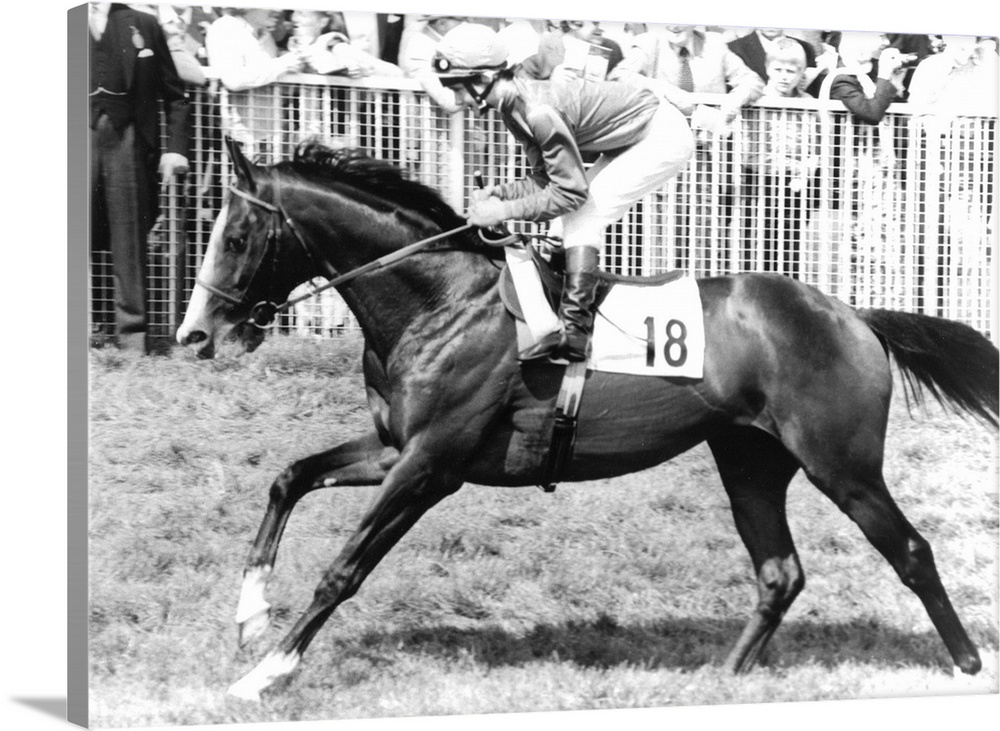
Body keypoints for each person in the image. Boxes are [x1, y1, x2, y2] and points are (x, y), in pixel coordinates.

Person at [437, 23, 695, 363]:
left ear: (482, 80)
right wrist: (500, 195)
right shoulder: (513, 105)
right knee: (563, 227)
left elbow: (570, 194)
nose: (456, 100)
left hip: (661, 136)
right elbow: (546, 181)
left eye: (458, 89)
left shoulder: (536, 110)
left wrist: (503, 212)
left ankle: (575, 335)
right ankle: (561, 315)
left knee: (582, 215)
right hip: (630, 135)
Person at [90, 2, 191, 354]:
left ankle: (132, 340)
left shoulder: (143, 23)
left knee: (129, 240)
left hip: (129, 140)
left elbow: (176, 96)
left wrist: (175, 149)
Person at [745, 39, 821, 277]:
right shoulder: (756, 98)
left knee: (789, 245)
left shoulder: (808, 104)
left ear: (801, 74)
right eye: (778, 70)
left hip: (794, 186)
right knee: (758, 246)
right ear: (768, 69)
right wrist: (794, 166)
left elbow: (816, 147)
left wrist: (807, 168)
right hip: (760, 182)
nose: (784, 77)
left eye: (791, 71)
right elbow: (752, 153)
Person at [205, 7, 307, 158]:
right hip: (241, 141)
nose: (277, 9)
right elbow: (233, 79)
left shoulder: (265, 33)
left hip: (273, 137)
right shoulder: (225, 27)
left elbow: (270, 74)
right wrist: (283, 64)